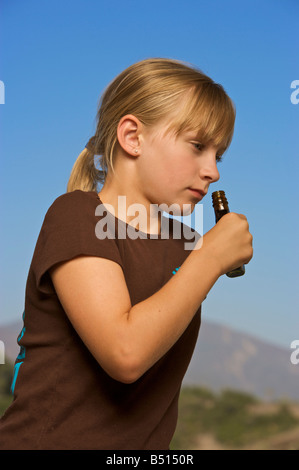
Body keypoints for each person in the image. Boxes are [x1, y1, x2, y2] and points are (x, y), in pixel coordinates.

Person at [0, 58, 253, 450]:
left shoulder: (186, 243)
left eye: (218, 155)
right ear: (133, 136)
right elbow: (126, 354)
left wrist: (203, 254)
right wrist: (209, 259)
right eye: (198, 146)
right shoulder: (76, 216)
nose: (213, 171)